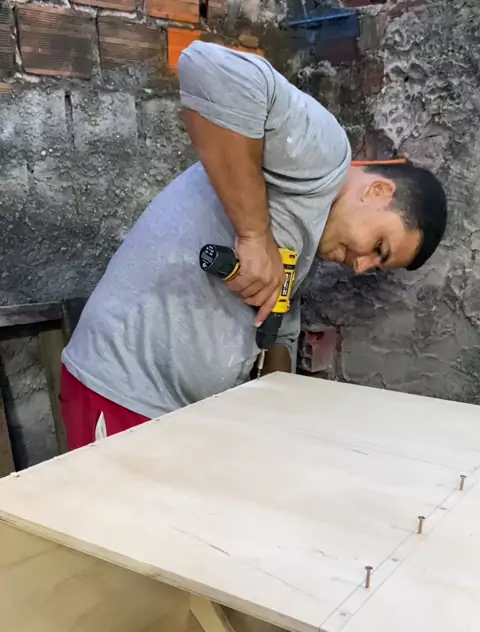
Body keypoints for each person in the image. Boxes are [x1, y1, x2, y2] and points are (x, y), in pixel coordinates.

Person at [60, 40, 447, 450]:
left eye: (376, 266)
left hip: (183, 416)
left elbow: (278, 323)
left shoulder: (310, 232)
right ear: (378, 192)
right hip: (122, 391)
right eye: (379, 247)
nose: (361, 266)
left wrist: (276, 407)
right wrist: (253, 236)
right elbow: (206, 66)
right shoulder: (325, 157)